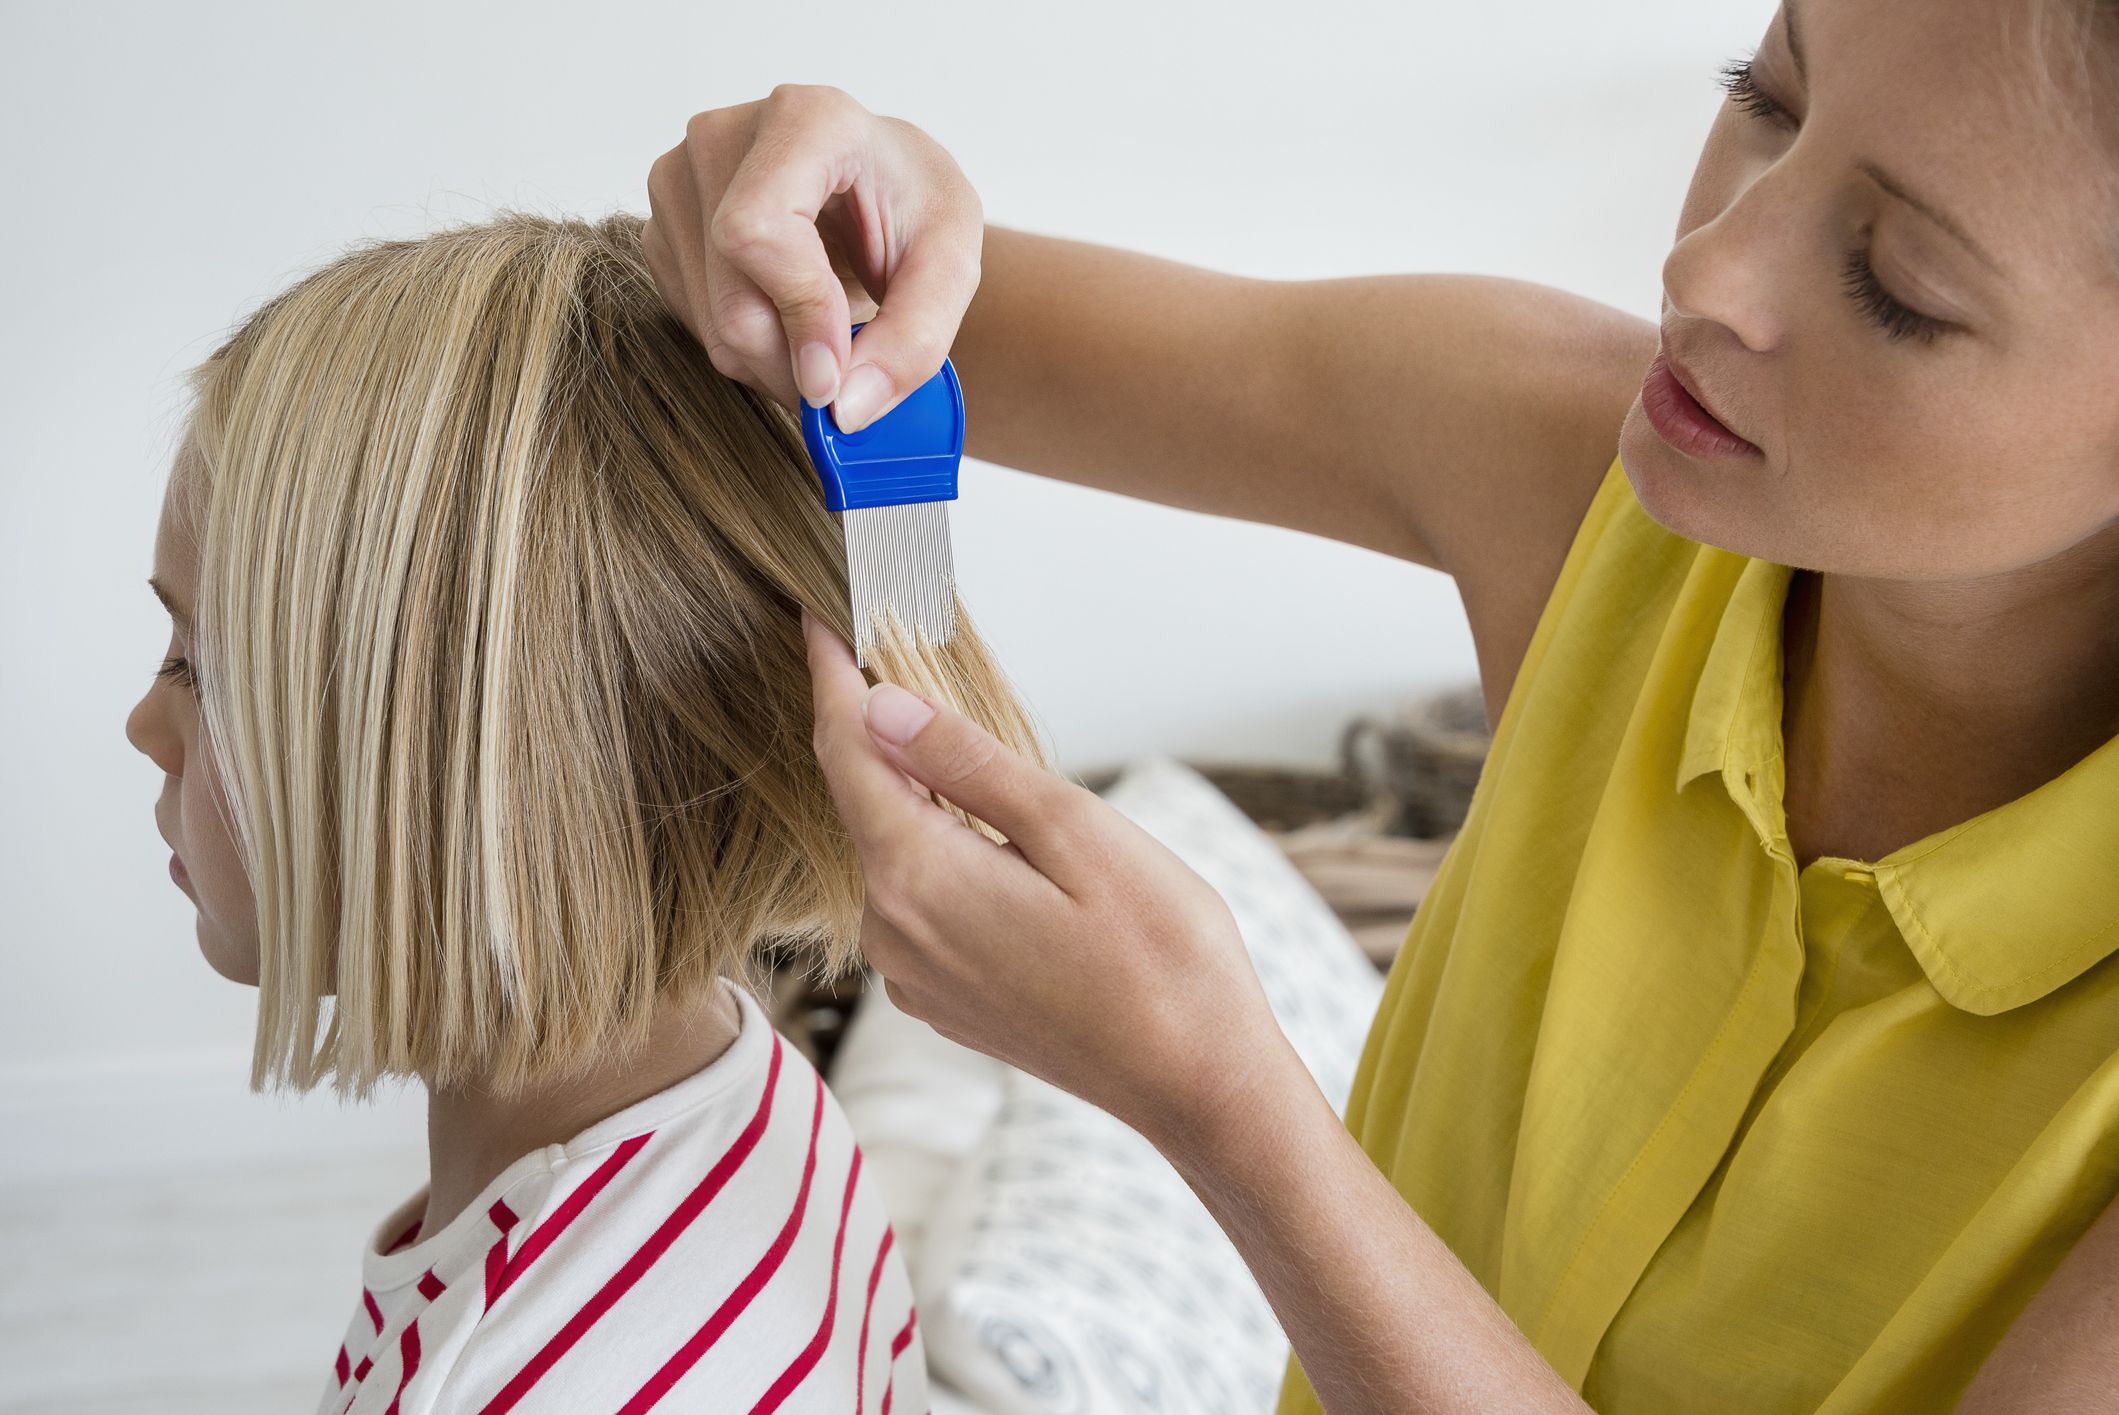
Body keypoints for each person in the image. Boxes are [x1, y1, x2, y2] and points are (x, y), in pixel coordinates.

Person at [638, 0, 2119, 1409]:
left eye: (1894, 285)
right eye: (1764, 97)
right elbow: (893, 310)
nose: (1706, 271)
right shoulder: (1575, 469)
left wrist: (1225, 1106)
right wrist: (838, 206)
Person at [125, 209, 1047, 1413]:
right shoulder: (738, 1074)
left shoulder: (510, 1380)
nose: (147, 721)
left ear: (466, 774)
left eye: (205, 668)